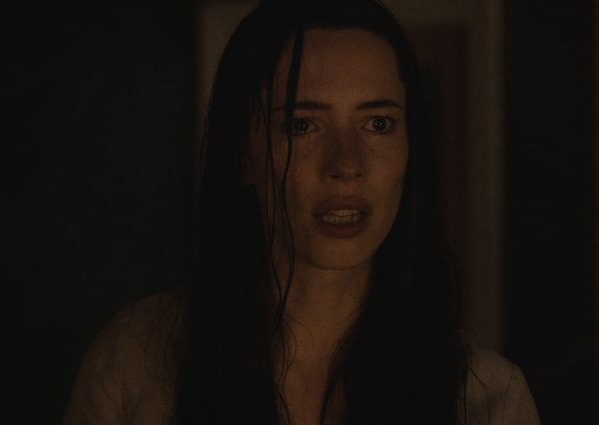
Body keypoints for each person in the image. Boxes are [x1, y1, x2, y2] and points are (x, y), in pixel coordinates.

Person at [61, 0, 539, 424]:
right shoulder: (137, 362)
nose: (346, 165)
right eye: (303, 125)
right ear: (243, 152)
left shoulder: (487, 400)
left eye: (378, 123)